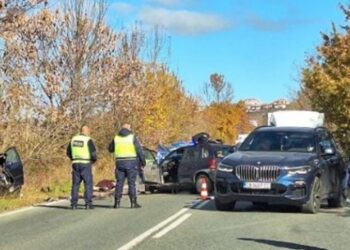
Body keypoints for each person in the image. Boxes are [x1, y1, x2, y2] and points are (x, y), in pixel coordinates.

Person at [108, 123, 146, 209]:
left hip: (119, 162)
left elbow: (110, 149)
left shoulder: (116, 138)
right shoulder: (132, 137)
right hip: (131, 162)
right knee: (131, 183)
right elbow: (139, 150)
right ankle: (133, 203)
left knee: (119, 183)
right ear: (129, 128)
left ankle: (117, 203)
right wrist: (143, 162)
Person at [67, 125, 97, 210]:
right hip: (85, 163)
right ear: (86, 131)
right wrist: (93, 161)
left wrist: (73, 158)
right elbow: (93, 153)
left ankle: (74, 204)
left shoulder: (73, 139)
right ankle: (88, 203)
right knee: (88, 183)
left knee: (75, 184)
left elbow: (68, 152)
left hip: (75, 163)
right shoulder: (87, 140)